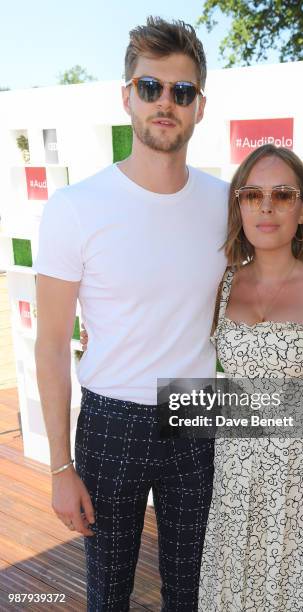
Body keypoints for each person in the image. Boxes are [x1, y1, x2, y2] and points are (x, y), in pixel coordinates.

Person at [34, 17, 228, 612]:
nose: (164, 103)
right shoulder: (74, 208)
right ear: (127, 97)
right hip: (111, 417)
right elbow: (49, 346)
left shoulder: (227, 203)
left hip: (196, 411)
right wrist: (59, 468)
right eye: (150, 88)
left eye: (181, 91)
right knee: (109, 591)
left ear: (199, 106)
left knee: (190, 590)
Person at [197, 144, 303, 611]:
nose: (266, 206)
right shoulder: (222, 284)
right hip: (237, 484)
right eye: (252, 194)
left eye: (283, 194)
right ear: (239, 206)